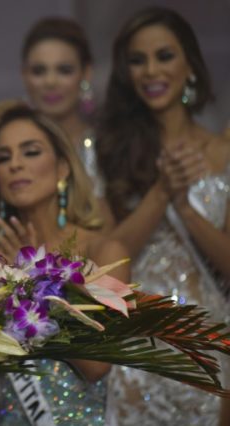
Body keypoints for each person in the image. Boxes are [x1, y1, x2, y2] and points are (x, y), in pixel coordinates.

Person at [95, 7, 230, 425]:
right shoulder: (107, 152)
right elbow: (105, 257)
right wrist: (161, 192)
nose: (151, 70)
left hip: (208, 344)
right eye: (138, 60)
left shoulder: (223, 153)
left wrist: (186, 209)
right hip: (137, 345)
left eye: (164, 56)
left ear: (190, 62)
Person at [0, 101, 129, 425]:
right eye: (2, 157)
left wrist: (29, 278)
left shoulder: (105, 252)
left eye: (31, 152)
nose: (15, 165)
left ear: (63, 168)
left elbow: (98, 365)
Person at [20, 17, 113, 228]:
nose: (50, 82)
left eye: (64, 70)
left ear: (86, 73)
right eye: (39, 71)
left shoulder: (109, 146)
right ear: (24, 75)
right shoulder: (10, 151)